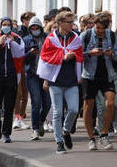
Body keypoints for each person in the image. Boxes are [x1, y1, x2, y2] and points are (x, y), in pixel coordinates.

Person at [37, 11, 83, 154]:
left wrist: (73, 56)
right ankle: (59, 142)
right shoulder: (51, 39)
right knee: (57, 112)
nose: (72, 24)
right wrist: (63, 57)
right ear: (61, 23)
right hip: (55, 80)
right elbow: (45, 57)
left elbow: (80, 55)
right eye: (69, 22)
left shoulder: (76, 38)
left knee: (74, 109)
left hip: (71, 79)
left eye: (72, 22)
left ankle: (65, 131)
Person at [80, 13, 117, 150]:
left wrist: (111, 54)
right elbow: (78, 54)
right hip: (89, 75)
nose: (100, 31)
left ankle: (104, 135)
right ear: (94, 25)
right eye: (98, 28)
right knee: (88, 105)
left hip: (107, 74)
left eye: (103, 29)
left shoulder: (112, 35)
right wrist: (90, 53)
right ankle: (91, 138)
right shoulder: (85, 36)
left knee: (111, 103)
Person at [24, 16, 51, 140]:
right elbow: (22, 58)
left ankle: (40, 121)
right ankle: (35, 128)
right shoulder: (26, 40)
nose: (35, 29)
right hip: (32, 75)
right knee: (36, 102)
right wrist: (30, 54)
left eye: (36, 27)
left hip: (46, 74)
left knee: (47, 103)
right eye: (32, 27)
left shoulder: (48, 38)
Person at [13, 11, 36, 130]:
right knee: (19, 92)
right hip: (18, 65)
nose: (31, 21)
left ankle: (21, 117)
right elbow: (18, 51)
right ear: (24, 21)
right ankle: (16, 117)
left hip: (29, 66)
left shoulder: (35, 32)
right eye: (28, 19)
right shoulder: (18, 33)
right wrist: (29, 53)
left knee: (26, 93)